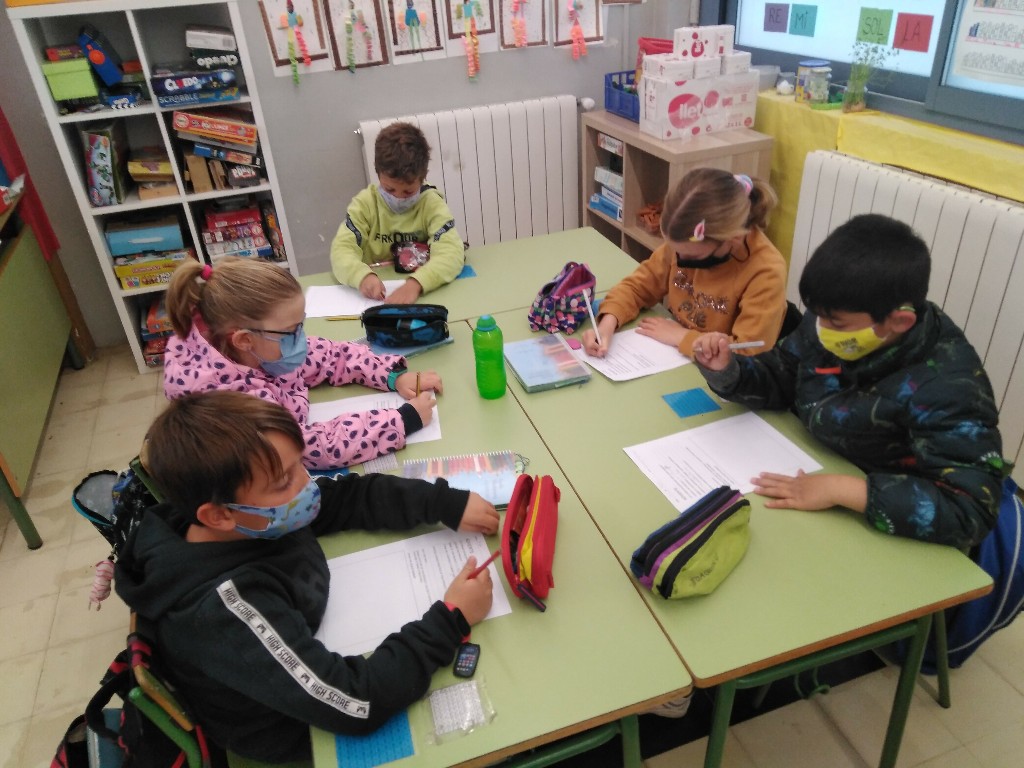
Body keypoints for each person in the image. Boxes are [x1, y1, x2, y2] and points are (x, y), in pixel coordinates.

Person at [115, 391, 498, 762]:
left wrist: (442, 503)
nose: (305, 483)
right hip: (297, 728)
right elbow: (355, 703)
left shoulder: (253, 517)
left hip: (309, 654)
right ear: (218, 515)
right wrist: (451, 619)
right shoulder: (225, 612)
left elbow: (349, 498)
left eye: (300, 464)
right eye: (284, 480)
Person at [692, 213, 1007, 548]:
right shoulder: (835, 316)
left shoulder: (948, 388)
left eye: (836, 324)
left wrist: (842, 489)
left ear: (899, 322)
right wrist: (729, 369)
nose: (822, 329)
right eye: (818, 316)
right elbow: (784, 371)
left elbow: (970, 511)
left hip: (881, 522)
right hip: (812, 468)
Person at [163, 256, 439, 469]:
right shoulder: (230, 402)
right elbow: (308, 447)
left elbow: (330, 355)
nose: (301, 339)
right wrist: (402, 420)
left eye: (301, 325)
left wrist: (391, 375)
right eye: (291, 331)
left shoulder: (256, 348)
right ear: (244, 340)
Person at [582, 167, 787, 359]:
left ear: (732, 239)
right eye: (676, 251)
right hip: (675, 358)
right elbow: (637, 288)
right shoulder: (687, 244)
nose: (679, 260)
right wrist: (607, 324)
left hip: (719, 375)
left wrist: (683, 337)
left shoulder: (765, 271)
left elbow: (749, 352)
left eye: (692, 257)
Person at [330, 121, 465, 305]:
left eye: (408, 191)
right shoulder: (364, 205)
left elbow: (451, 252)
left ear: (423, 177)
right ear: (378, 174)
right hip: (374, 297)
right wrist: (361, 276)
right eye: (390, 189)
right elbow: (341, 251)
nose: (399, 198)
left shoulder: (431, 204)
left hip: (423, 296)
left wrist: (417, 283)